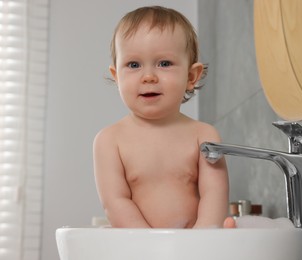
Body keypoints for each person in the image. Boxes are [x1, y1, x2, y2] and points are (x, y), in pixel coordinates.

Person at [93, 6, 230, 228]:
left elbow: (215, 194)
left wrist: (202, 240)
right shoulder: (110, 141)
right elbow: (115, 202)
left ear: (191, 76)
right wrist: (151, 246)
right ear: (117, 77)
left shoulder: (203, 135)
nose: (148, 76)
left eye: (164, 63)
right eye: (134, 65)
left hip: (193, 247)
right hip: (139, 247)